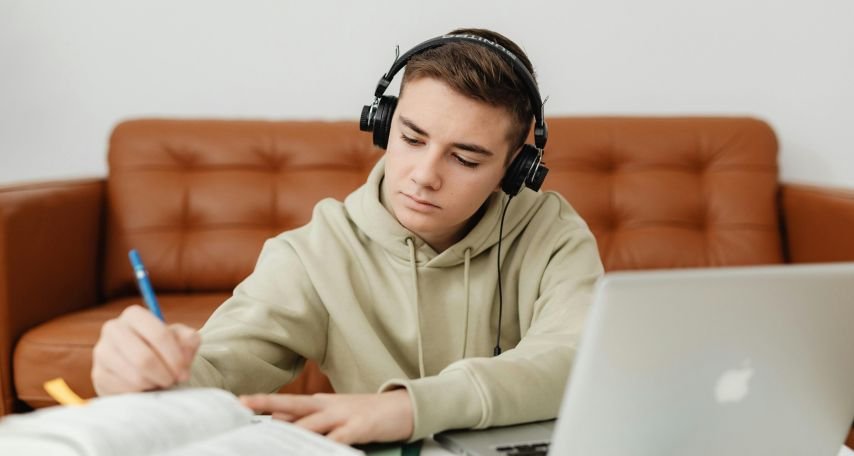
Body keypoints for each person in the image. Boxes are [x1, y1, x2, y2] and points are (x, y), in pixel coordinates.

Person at [91, 28, 604, 444]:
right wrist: (145, 375)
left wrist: (408, 408)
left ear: (516, 168)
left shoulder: (553, 233)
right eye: (410, 137)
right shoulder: (315, 252)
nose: (424, 175)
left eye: (466, 158)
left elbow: (576, 357)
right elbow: (217, 369)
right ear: (382, 124)